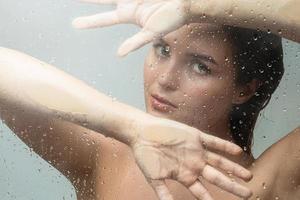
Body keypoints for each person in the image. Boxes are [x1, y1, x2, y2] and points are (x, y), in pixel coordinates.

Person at [0, 0, 299, 200]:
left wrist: (195, 6)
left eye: (200, 67)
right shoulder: (108, 155)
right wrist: (130, 126)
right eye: (162, 49)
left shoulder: (265, 183)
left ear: (244, 89)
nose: (165, 79)